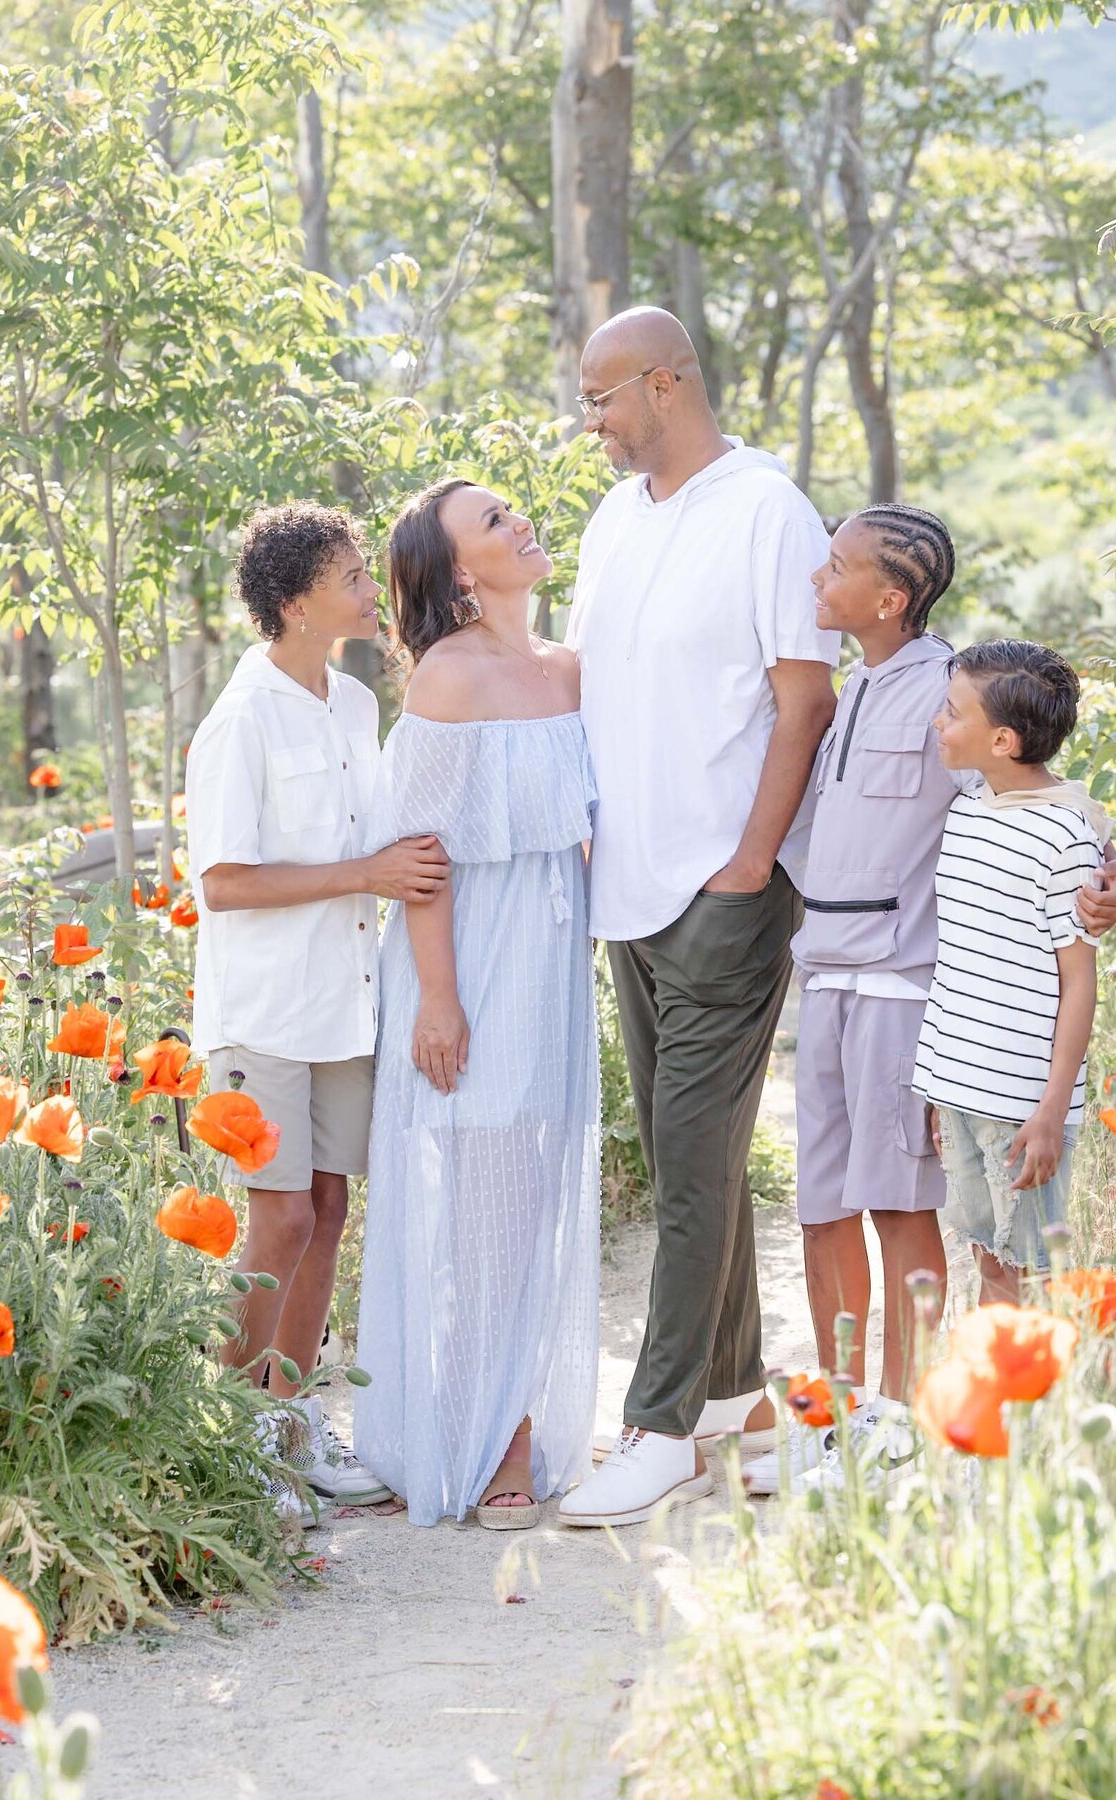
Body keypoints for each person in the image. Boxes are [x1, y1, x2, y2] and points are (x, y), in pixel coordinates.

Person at [558, 307, 839, 1529]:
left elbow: (804, 699)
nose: (592, 421)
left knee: (688, 1163)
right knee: (689, 1158)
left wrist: (751, 861)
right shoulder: (613, 518)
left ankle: (660, 1425)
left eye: (601, 398)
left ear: (665, 385)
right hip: (624, 879)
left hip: (725, 885)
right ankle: (732, 1403)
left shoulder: (769, 509)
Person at [186, 501, 451, 1522]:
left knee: (331, 1211)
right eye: (349, 577)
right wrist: (368, 874)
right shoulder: (239, 720)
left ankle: (291, 1427)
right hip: (264, 1013)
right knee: (281, 1214)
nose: (368, 590)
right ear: (297, 602)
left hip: (349, 1003)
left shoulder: (353, 705)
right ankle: (230, 1436)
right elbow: (224, 882)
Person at [353, 478, 600, 1529]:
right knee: (481, 1194)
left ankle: (513, 1417)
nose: (523, 521)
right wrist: (439, 1003)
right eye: (495, 521)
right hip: (470, 962)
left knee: (536, 1187)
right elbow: (420, 858)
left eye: (514, 508)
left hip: (551, 964)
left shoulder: (568, 668)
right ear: (459, 572)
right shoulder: (447, 681)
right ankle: (491, 1437)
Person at [741, 504, 961, 1496]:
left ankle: (902, 1425)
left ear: (891, 596)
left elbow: (1017, 811)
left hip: (903, 992)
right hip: (821, 981)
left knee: (899, 1202)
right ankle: (835, 1418)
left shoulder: (951, 694)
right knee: (821, 1208)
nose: (816, 585)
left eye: (835, 570)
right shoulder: (844, 694)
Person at [915, 640, 1106, 1299]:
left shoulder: (1063, 836)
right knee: (987, 1261)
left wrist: (1054, 1109)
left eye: (950, 712)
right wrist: (940, 1088)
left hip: (1023, 1102)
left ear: (1000, 740)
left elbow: (1080, 980)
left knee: (1028, 1272)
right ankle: (994, 1400)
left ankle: (1030, 1400)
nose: (938, 722)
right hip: (960, 1085)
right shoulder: (968, 808)